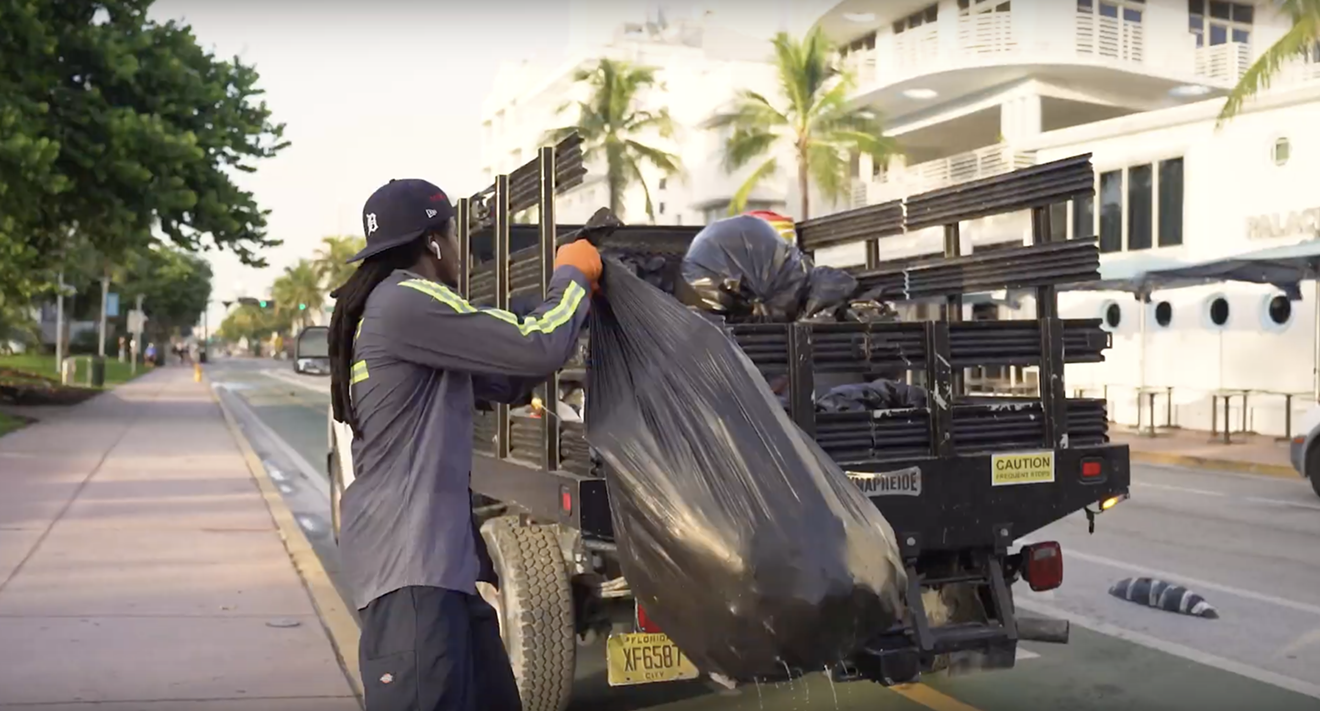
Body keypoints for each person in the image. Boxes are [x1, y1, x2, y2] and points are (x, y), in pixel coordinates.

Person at [326, 178, 601, 711]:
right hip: (412, 583)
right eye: (454, 234)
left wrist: (562, 302)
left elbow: (505, 375)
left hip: (440, 576)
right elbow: (537, 346)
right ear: (434, 242)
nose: (459, 248)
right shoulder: (406, 299)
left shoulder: (391, 312)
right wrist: (574, 276)